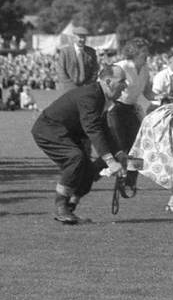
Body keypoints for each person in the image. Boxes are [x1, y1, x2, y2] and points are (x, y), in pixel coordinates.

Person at [31, 63, 127, 224]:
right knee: (75, 159)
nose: (125, 86)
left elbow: (103, 129)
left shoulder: (101, 97)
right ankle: (60, 207)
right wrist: (110, 161)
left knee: (88, 171)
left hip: (65, 133)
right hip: (48, 130)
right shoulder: (91, 96)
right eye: (122, 81)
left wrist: (118, 154)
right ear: (109, 81)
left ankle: (69, 210)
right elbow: (93, 129)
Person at [109, 37, 153, 190]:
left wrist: (165, 98)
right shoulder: (121, 67)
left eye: (147, 51)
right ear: (133, 52)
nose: (147, 54)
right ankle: (120, 178)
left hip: (131, 109)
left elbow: (147, 92)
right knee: (121, 146)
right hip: (115, 108)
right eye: (143, 51)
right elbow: (105, 86)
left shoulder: (146, 68)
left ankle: (131, 182)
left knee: (138, 146)